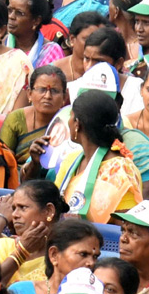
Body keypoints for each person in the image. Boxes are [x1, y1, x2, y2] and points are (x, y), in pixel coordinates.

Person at [52, 89, 142, 223]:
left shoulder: (121, 169)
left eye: (71, 116)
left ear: (77, 124)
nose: (68, 122)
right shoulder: (71, 160)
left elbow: (125, 225)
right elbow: (53, 202)